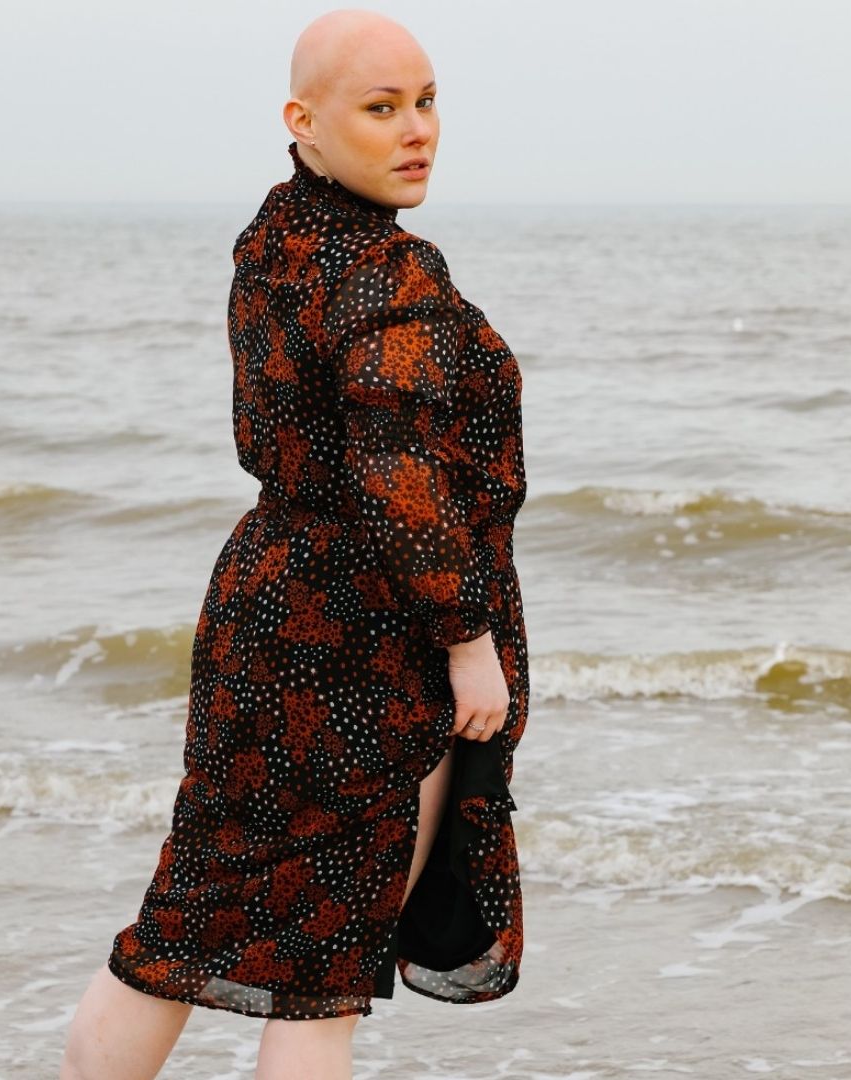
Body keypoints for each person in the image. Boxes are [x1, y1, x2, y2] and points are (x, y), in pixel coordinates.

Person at [59, 10, 529, 1079]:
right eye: (381, 108)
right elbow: (395, 472)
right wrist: (466, 638)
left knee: (179, 922)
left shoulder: (274, 236)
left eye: (427, 100)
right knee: (325, 968)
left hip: (261, 609)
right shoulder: (392, 273)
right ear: (302, 120)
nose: (417, 131)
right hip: (368, 641)